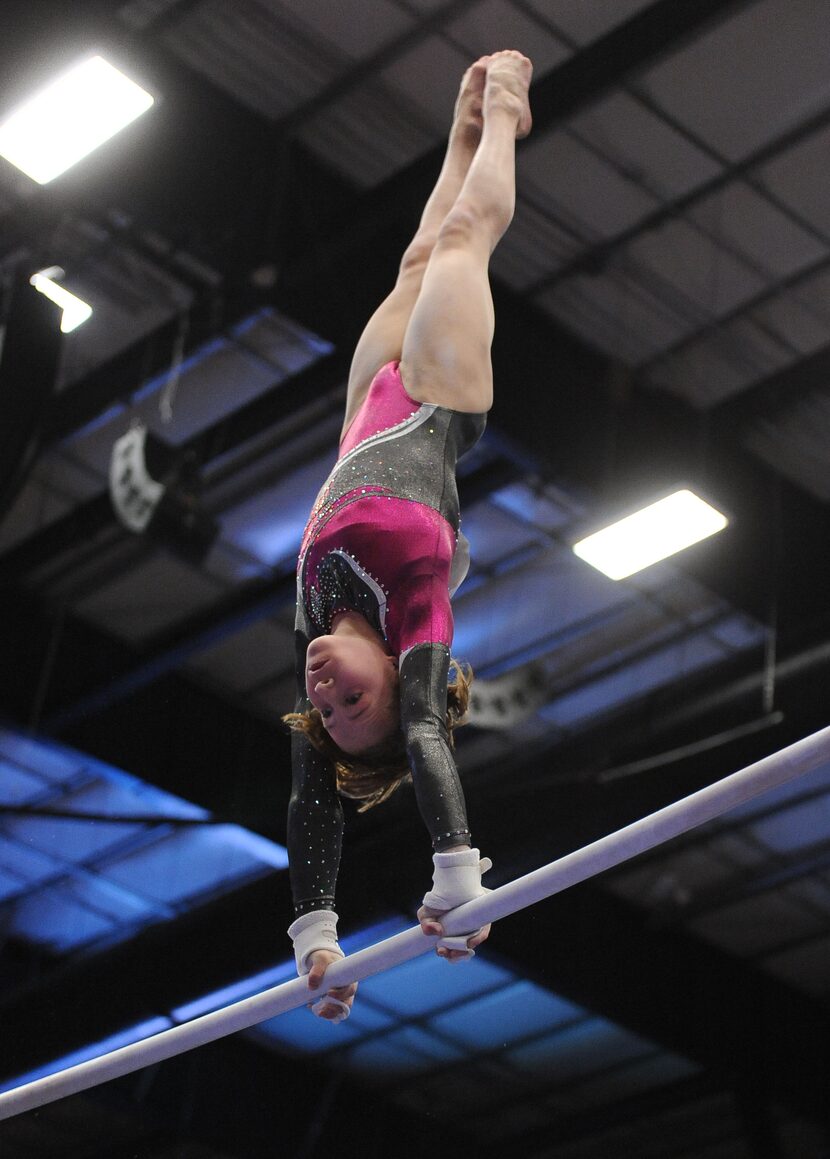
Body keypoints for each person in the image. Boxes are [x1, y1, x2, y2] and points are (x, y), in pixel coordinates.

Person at [283, 51, 533, 1022]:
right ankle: (509, 112)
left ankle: (466, 119)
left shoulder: (312, 611)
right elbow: (424, 731)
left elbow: (311, 796)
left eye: (327, 712)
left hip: (364, 411)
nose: (325, 697)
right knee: (468, 235)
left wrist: (315, 938)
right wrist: (455, 874)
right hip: (436, 400)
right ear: (395, 671)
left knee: (419, 253)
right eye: (357, 704)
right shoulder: (416, 597)